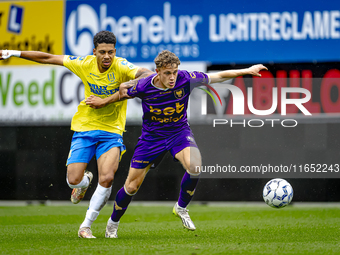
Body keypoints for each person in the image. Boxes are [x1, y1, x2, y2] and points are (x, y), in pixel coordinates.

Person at [85, 50, 267, 238]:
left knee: (195, 166)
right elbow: (122, 94)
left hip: (178, 133)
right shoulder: (143, 86)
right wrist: (103, 101)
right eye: (167, 73)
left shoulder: (186, 78)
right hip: (151, 138)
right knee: (131, 187)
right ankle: (113, 223)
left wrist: (247, 69)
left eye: (174, 72)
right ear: (157, 71)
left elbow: (218, 76)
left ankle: (181, 207)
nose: (172, 77)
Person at [0, 30, 153, 238]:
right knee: (73, 179)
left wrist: (128, 85)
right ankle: (82, 183)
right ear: (94, 52)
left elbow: (146, 74)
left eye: (110, 52)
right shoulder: (83, 63)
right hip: (85, 127)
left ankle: (86, 226)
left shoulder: (121, 65)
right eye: (102, 52)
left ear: (115, 52)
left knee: (107, 178)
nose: (107, 57)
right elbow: (47, 57)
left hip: (112, 131)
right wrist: (12, 52)